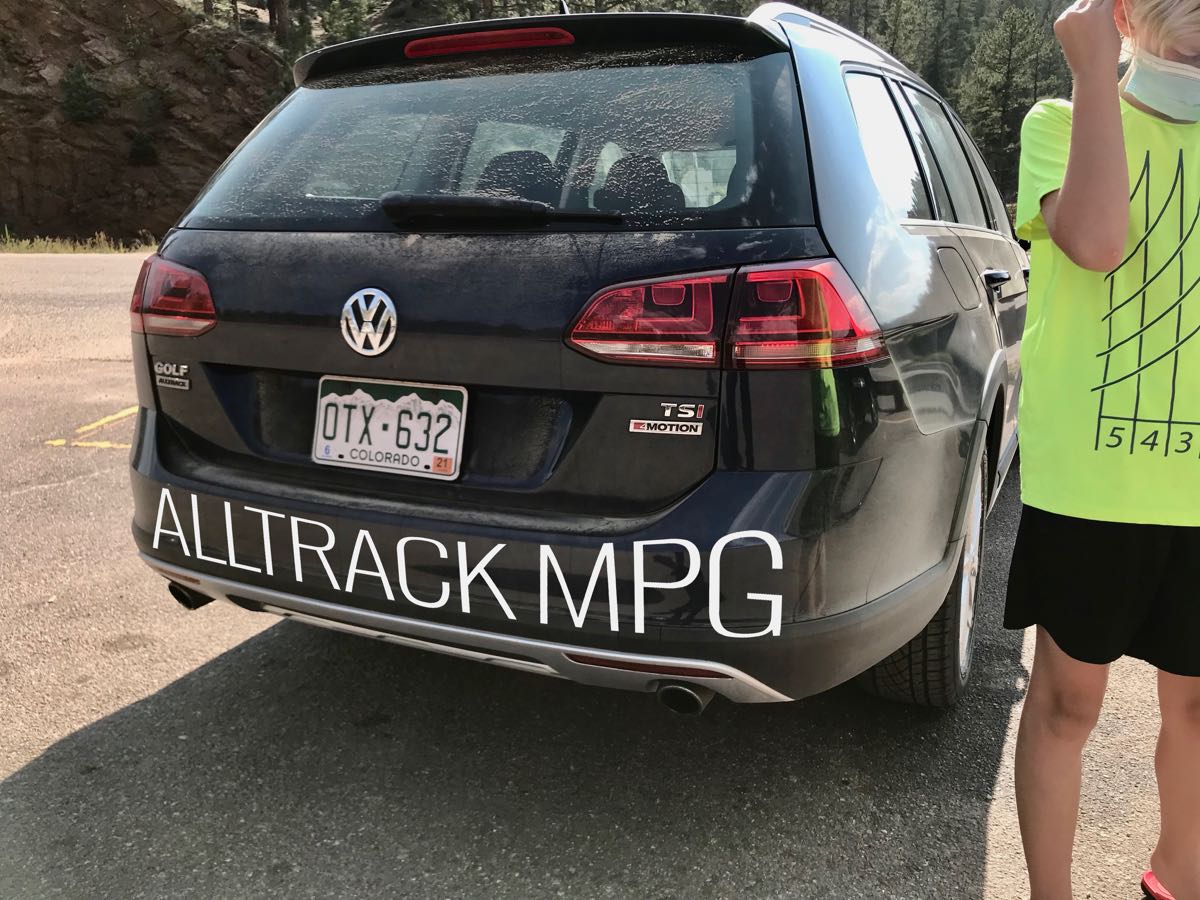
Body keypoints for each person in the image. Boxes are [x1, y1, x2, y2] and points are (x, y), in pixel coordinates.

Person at [1005, 0, 1200, 896]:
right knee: (1067, 705)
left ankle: (1178, 875)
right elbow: (1095, 239)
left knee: (1196, 707)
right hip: (1093, 482)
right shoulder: (1063, 121)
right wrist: (1091, 74)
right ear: (1129, 15)